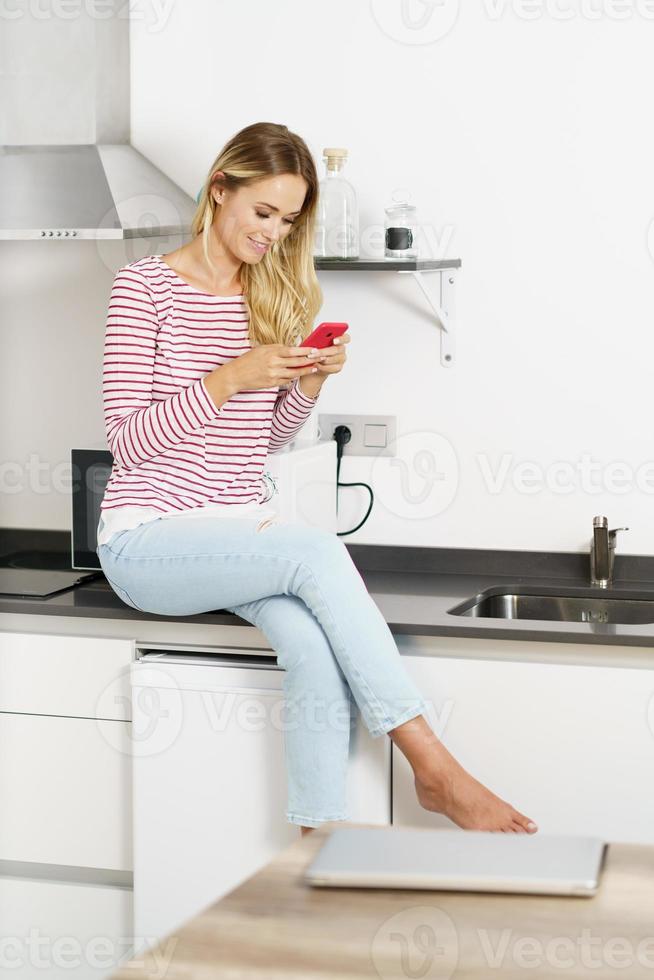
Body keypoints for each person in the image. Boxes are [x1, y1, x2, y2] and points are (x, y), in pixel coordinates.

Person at [97, 121, 538, 837]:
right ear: (219, 191)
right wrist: (229, 376)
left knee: (308, 643)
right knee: (318, 549)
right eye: (262, 213)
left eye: (288, 220)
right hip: (147, 540)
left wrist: (309, 383)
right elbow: (130, 441)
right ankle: (435, 769)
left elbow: (261, 440)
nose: (273, 234)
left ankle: (316, 839)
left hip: (238, 531)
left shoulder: (269, 296)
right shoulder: (142, 289)